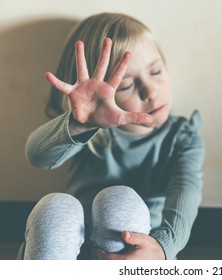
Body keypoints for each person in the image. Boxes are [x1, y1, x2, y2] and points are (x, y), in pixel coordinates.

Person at [19, 12, 205, 260]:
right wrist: (80, 124)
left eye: (156, 71)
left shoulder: (182, 137)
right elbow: (37, 156)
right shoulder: (92, 133)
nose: (150, 91)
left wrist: (162, 248)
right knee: (55, 207)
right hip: (69, 250)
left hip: (133, 253)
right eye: (127, 85)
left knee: (119, 201)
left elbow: (186, 197)